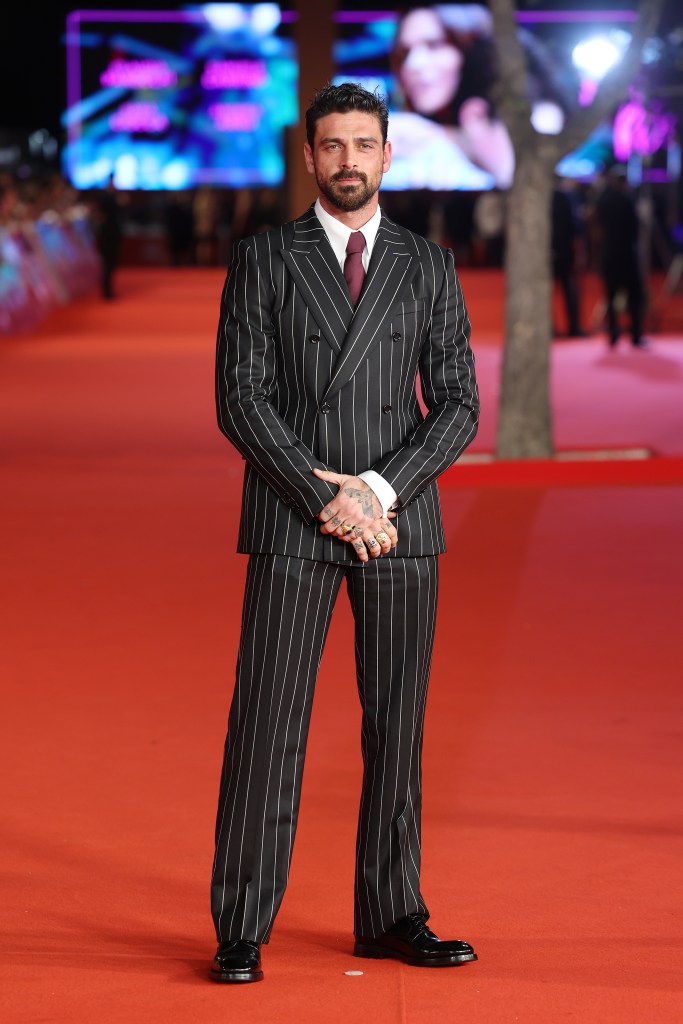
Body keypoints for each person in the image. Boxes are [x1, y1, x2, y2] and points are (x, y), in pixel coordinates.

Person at [210, 83, 480, 984]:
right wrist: (320, 495)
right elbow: (239, 400)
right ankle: (242, 923)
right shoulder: (262, 259)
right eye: (332, 146)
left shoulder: (428, 263)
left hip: (399, 522)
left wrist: (376, 488)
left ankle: (392, 911)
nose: (349, 161)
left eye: (364, 144)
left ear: (389, 154)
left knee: (395, 729)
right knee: (267, 725)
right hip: (294, 516)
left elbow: (458, 404)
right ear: (310, 156)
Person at [595, 170, 647, 348]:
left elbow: (596, 223)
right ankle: (636, 334)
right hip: (627, 256)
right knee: (634, 296)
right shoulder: (627, 200)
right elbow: (634, 229)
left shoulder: (604, 200)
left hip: (609, 254)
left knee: (610, 296)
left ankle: (613, 334)